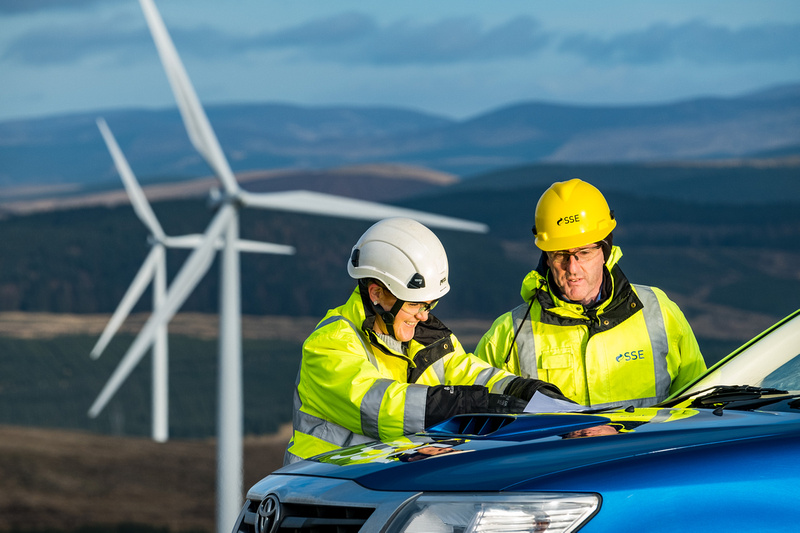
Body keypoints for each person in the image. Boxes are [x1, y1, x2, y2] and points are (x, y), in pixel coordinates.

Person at [284, 217, 568, 464]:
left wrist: (525, 391)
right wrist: (467, 406)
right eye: (415, 305)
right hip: (315, 497)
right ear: (376, 294)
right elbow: (382, 407)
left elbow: (469, 373)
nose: (422, 316)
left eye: (429, 305)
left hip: (378, 493)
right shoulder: (330, 344)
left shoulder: (424, 338)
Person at [475, 178, 706, 409]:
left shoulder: (659, 312)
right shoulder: (507, 334)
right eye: (560, 254)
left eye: (584, 252)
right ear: (546, 257)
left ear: (604, 250)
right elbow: (477, 420)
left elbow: (698, 407)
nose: (572, 268)